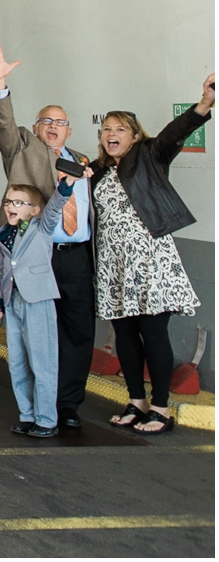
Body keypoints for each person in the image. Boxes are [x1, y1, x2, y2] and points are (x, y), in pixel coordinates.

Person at [92, 75, 212, 435]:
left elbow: (176, 132)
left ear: (134, 136)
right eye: (106, 129)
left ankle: (160, 408)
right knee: (124, 335)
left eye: (120, 129)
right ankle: (136, 402)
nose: (111, 134)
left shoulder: (149, 155)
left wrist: (204, 104)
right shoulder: (97, 171)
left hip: (150, 262)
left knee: (153, 333)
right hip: (115, 264)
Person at [0, 44, 94, 430]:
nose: (52, 126)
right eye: (46, 120)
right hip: (36, 254)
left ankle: (65, 406)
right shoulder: (23, 147)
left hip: (76, 255)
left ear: (69, 130)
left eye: (59, 122)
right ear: (35, 127)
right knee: (34, 341)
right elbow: (2, 125)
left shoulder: (83, 162)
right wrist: (0, 82)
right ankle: (36, 411)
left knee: (77, 332)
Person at [0, 170, 87, 438]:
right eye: (8, 202)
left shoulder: (42, 227)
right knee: (18, 361)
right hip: (13, 301)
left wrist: (66, 186)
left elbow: (56, 204)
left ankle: (46, 419)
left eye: (18, 202)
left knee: (42, 361)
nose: (11, 206)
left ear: (34, 210)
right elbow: (0, 270)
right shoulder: (1, 234)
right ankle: (27, 414)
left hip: (38, 300)